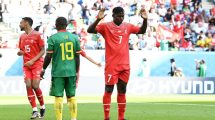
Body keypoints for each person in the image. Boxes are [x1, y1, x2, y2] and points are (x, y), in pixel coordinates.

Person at [87, 7, 148, 120]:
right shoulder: (105, 26)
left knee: (122, 91)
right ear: (113, 15)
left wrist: (145, 20)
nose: (121, 18)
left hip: (125, 66)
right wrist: (97, 19)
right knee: (109, 90)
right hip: (112, 65)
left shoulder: (128, 26)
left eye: (122, 16)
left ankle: (121, 117)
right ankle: (106, 117)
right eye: (118, 16)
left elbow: (142, 31)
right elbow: (90, 30)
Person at [40, 17, 100, 120]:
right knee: (72, 96)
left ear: (56, 25)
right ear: (66, 25)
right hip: (71, 72)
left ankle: (59, 119)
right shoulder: (74, 38)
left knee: (58, 97)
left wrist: (43, 69)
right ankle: (73, 118)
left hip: (58, 72)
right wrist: (76, 72)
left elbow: (48, 57)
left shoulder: (52, 38)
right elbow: (77, 57)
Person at [17, 17, 45, 119]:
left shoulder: (38, 35)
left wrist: (33, 60)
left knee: (35, 85)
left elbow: (43, 51)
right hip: (26, 65)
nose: (19, 24)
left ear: (26, 23)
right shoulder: (22, 36)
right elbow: (22, 50)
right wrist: (20, 53)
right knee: (28, 85)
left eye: (21, 23)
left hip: (36, 63)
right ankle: (34, 110)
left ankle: (42, 107)